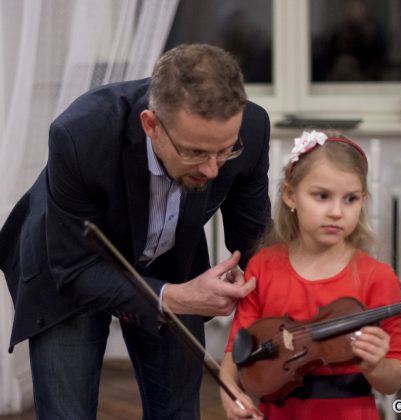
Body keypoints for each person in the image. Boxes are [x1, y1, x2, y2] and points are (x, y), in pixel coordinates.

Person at [0, 44, 271, 419]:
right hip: (71, 265)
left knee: (178, 412)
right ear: (151, 125)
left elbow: (255, 240)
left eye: (225, 151)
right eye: (194, 153)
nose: (212, 170)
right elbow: (74, 268)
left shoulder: (251, 128)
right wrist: (173, 298)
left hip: (169, 260)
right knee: (68, 414)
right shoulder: (81, 133)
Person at [220, 130, 401, 419]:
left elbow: (393, 379)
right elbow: (238, 350)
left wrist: (376, 366)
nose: (336, 212)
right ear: (290, 195)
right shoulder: (263, 267)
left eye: (350, 199)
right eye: (322, 196)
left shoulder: (377, 277)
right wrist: (231, 395)